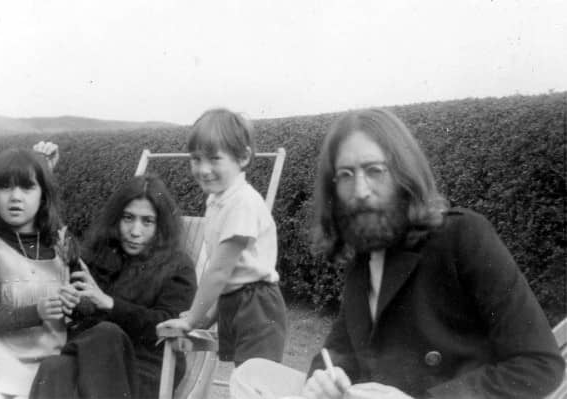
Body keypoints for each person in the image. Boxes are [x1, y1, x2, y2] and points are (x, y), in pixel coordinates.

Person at [300, 108, 564, 398]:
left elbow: (539, 364)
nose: (360, 190)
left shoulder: (462, 236)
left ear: (404, 173)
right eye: (346, 175)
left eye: (374, 170)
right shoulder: (364, 255)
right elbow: (338, 350)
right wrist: (323, 377)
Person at [29, 173, 197, 399]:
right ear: (116, 219)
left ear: (161, 226)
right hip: (91, 361)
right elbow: (84, 315)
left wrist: (109, 304)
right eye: (128, 218)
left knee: (106, 333)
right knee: (54, 368)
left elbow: (167, 324)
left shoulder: (178, 265)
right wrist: (76, 302)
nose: (135, 231)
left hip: (145, 368)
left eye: (147, 221)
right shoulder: (102, 254)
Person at [157, 108, 287, 366]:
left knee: (255, 384)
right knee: (244, 379)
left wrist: (191, 319)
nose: (203, 169)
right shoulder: (218, 200)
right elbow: (230, 279)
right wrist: (209, 315)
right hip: (236, 301)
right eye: (195, 159)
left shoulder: (242, 202)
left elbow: (218, 270)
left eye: (215, 159)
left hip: (258, 307)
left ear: (243, 157)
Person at [0, 147, 79, 398]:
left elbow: (89, 304)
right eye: (5, 187)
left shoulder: (61, 244)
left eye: (27, 187)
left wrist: (77, 302)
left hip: (52, 368)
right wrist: (36, 311)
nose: (15, 196)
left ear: (43, 196)